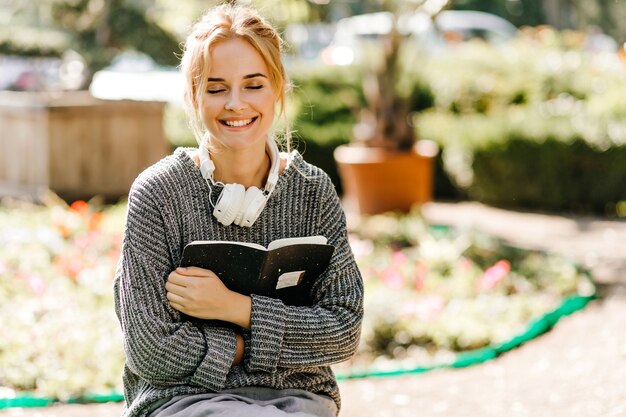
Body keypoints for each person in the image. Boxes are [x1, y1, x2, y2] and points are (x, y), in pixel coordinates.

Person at [113, 4, 363, 417]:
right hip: (183, 402)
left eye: (253, 85)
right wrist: (261, 344)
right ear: (194, 96)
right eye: (216, 88)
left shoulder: (312, 190)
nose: (235, 104)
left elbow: (343, 330)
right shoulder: (157, 194)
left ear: (278, 89)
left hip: (300, 400)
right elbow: (150, 351)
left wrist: (235, 309)